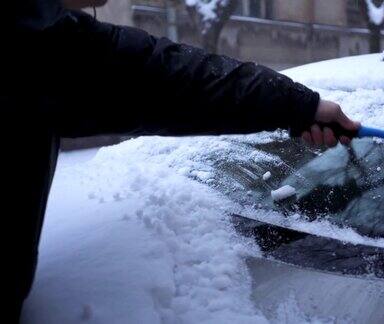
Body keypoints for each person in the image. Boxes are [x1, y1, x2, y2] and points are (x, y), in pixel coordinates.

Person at [1, 0, 359, 322]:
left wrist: (301, 107)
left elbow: (163, 76)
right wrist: (300, 107)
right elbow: (160, 78)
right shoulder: (28, 35)